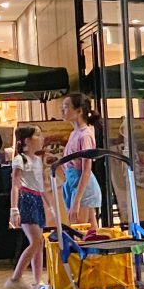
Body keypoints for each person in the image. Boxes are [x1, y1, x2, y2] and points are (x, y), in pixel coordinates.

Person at [5, 126, 51, 289]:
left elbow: (41, 186)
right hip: (26, 200)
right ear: (26, 140)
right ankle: (15, 278)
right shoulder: (20, 159)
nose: (41, 138)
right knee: (36, 241)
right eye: (37, 135)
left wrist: (50, 204)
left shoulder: (37, 160)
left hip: (37, 200)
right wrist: (14, 209)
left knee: (39, 243)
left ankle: (37, 281)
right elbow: (15, 185)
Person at [59, 93, 103, 229]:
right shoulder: (75, 133)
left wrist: (77, 200)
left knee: (80, 229)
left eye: (66, 106)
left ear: (79, 111)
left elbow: (86, 170)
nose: (62, 110)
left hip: (82, 187)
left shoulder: (85, 135)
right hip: (73, 184)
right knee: (90, 230)